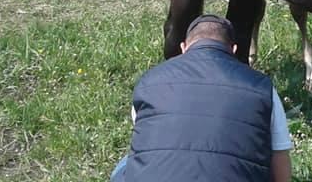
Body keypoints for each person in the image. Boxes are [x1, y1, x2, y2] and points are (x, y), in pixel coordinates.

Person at [111, 14, 293, 182]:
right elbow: (280, 159)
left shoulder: (149, 81)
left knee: (126, 164)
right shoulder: (261, 87)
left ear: (183, 48)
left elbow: (144, 137)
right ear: (234, 49)